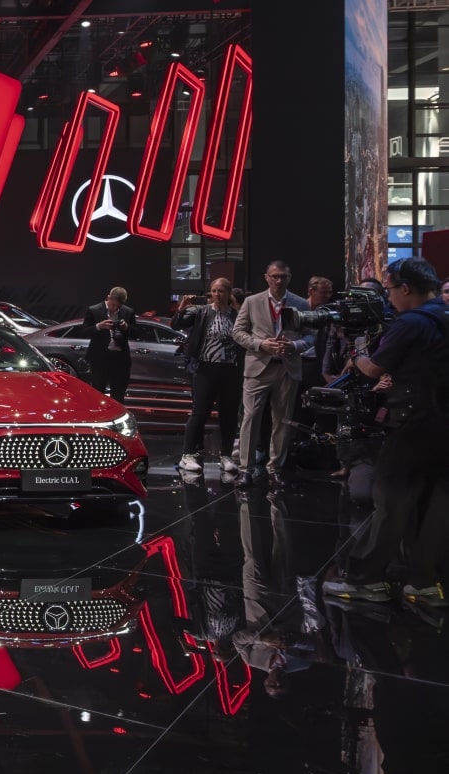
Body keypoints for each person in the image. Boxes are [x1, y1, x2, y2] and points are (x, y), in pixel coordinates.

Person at [324, 258, 449, 606]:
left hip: (412, 424)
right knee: (433, 506)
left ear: (405, 288)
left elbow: (372, 368)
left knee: (390, 503)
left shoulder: (411, 322)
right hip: (442, 426)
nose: (389, 298)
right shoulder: (444, 315)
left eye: (391, 290)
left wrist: (356, 355)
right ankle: (426, 583)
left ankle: (366, 580)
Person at [232, 260, 310, 486]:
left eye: (283, 276)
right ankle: (245, 469)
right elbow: (238, 332)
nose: (278, 280)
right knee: (250, 418)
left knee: (282, 421)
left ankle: (275, 468)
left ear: (289, 278)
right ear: (266, 277)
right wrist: (260, 344)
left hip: (287, 367)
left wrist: (294, 346)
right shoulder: (252, 301)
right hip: (258, 367)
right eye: (274, 276)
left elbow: (311, 335)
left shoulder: (301, 303)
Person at [172, 279, 243, 476]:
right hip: (205, 368)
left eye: (221, 291)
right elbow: (177, 324)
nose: (217, 295)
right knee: (200, 412)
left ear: (228, 293)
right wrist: (182, 308)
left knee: (229, 414)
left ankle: (226, 455)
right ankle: (188, 454)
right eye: (214, 291)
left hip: (230, 370)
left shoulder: (236, 315)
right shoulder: (201, 311)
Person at [82, 286, 138, 402]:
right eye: (113, 305)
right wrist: (99, 326)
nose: (115, 308)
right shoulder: (94, 310)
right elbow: (83, 332)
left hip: (120, 360)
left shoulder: (128, 312)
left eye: (119, 306)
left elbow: (136, 334)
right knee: (98, 393)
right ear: (108, 298)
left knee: (118, 394)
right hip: (100, 359)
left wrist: (127, 327)